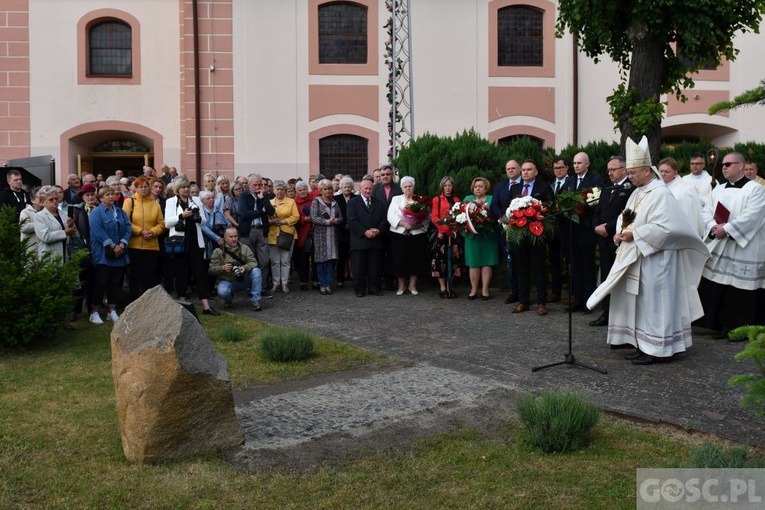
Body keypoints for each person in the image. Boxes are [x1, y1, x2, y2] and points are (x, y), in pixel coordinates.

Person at [587, 136, 709, 365]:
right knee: (642, 303)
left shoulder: (661, 193)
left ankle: (659, 349)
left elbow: (667, 227)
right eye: (629, 172)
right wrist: (620, 231)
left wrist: (635, 235)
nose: (629, 176)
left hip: (659, 260)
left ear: (646, 170)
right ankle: (645, 345)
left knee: (657, 304)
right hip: (640, 256)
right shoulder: (638, 192)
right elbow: (628, 217)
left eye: (633, 172)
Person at [697, 151, 765, 340]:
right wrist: (712, 226)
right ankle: (720, 325)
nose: (724, 168)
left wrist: (727, 229)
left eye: (728, 164)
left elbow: (753, 216)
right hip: (722, 245)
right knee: (721, 286)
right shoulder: (718, 189)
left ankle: (741, 329)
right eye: (723, 165)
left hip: (745, 248)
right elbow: (706, 211)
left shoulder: (755, 189)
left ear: (741, 166)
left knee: (740, 291)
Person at [164, 175, 220, 315]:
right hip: (179, 242)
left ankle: (206, 306)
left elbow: (203, 222)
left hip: (196, 241)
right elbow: (167, 223)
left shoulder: (195, 200)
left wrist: (197, 218)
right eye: (183, 187)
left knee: (200, 273)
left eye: (188, 187)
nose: (186, 189)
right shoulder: (171, 202)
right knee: (181, 273)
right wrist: (182, 215)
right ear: (177, 189)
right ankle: (182, 304)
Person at [590, 156, 634, 327]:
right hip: (604, 241)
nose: (610, 173)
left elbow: (627, 214)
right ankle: (606, 313)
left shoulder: (630, 189)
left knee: (620, 279)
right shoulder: (607, 189)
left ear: (624, 169)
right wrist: (595, 227)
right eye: (608, 170)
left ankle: (621, 316)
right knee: (607, 277)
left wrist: (607, 228)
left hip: (620, 239)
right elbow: (598, 211)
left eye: (613, 169)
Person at [508, 160, 554, 315]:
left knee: (539, 268)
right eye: (524, 170)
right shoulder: (515, 188)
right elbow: (509, 208)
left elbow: (550, 207)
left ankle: (542, 303)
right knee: (521, 268)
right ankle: (523, 301)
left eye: (529, 170)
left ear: (536, 172)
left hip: (537, 234)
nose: (526, 172)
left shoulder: (544, 187)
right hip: (519, 235)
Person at [562, 151, 604, 314]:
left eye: (579, 163)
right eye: (574, 163)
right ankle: (577, 299)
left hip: (586, 229)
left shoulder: (595, 179)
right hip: (572, 230)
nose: (576, 166)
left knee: (587, 266)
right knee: (575, 266)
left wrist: (582, 206)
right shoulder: (570, 181)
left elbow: (596, 202)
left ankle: (589, 301)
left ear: (587, 164)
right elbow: (564, 200)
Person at [88, 187, 131, 325]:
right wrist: (112, 245)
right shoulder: (96, 212)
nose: (111, 197)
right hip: (103, 254)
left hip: (119, 254)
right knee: (101, 282)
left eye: (112, 194)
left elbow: (128, 227)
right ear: (100, 198)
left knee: (114, 283)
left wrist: (123, 244)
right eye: (107, 195)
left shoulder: (120, 211)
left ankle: (111, 310)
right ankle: (94, 311)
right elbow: (97, 231)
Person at [123, 177, 165, 302]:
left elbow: (161, 224)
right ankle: (133, 302)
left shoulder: (154, 204)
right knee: (135, 276)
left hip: (151, 246)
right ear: (135, 188)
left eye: (146, 186)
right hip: (134, 245)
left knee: (149, 276)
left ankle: (147, 304)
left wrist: (151, 232)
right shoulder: (129, 202)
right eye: (140, 187)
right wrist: (140, 231)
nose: (143, 189)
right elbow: (126, 222)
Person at [386, 176, 430, 296]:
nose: (408, 188)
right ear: (402, 188)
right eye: (405, 186)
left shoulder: (420, 200)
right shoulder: (396, 199)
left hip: (416, 234)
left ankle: (412, 285)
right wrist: (403, 223)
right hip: (399, 234)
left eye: (410, 186)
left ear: (413, 187)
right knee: (399, 260)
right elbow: (390, 215)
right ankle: (401, 286)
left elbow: (427, 217)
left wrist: (416, 225)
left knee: (415, 260)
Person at [347, 177, 387, 297]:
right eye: (366, 188)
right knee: (358, 267)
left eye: (370, 188)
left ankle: (374, 288)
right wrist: (365, 231)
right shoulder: (353, 202)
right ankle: (359, 290)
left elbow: (384, 219)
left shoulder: (379, 202)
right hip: (359, 240)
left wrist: (378, 230)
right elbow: (352, 220)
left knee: (375, 266)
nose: (368, 191)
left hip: (375, 239)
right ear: (360, 188)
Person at [208, 227, 263, 311]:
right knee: (222, 291)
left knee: (256, 271)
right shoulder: (218, 251)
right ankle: (229, 300)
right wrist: (222, 268)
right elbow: (210, 270)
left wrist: (245, 267)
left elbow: (254, 262)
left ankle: (256, 300)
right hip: (227, 281)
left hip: (243, 280)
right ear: (225, 239)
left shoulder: (245, 248)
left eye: (235, 236)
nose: (234, 239)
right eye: (231, 237)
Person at [491, 159, 522, 304]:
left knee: (523, 261)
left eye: (513, 168)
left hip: (522, 229)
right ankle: (513, 291)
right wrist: (501, 219)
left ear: (520, 169)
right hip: (505, 228)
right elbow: (494, 205)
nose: (510, 170)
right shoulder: (500, 186)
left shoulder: (525, 184)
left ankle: (524, 291)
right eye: (508, 169)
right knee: (510, 261)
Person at [238, 173, 275, 294]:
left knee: (264, 261)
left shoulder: (265, 196)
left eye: (260, 184)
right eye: (255, 185)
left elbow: (270, 212)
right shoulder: (243, 196)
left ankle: (262, 286)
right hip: (248, 232)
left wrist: (262, 198)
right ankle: (250, 286)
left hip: (261, 231)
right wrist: (260, 212)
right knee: (249, 261)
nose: (258, 187)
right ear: (249, 185)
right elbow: (243, 214)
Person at [463, 177, 498, 300]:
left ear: (486, 188)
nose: (478, 188)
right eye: (476, 186)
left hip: (487, 236)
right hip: (472, 237)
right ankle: (473, 289)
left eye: (481, 186)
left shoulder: (491, 199)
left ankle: (485, 289)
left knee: (487, 262)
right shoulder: (467, 200)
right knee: (473, 263)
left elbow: (495, 216)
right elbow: (462, 217)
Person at [68, 183, 99, 322]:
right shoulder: (76, 210)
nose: (90, 197)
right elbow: (71, 228)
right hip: (81, 249)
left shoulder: (100, 208)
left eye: (92, 194)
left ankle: (91, 308)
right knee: (80, 281)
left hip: (97, 249)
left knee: (93, 281)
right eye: (88, 195)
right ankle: (75, 309)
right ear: (82, 197)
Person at [431, 176, 462, 299]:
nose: (448, 188)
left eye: (450, 185)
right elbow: (434, 218)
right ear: (442, 187)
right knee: (441, 260)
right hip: (442, 234)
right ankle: (443, 287)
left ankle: (450, 286)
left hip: (454, 234)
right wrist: (446, 229)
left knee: (453, 260)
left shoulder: (456, 199)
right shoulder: (437, 200)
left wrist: (455, 228)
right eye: (445, 185)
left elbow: (460, 216)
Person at [311, 179, 343, 295]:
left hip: (332, 235)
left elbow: (341, 217)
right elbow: (314, 217)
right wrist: (327, 221)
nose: (328, 191)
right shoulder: (316, 202)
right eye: (325, 189)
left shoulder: (335, 202)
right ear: (320, 190)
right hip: (320, 236)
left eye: (329, 188)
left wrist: (336, 221)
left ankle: (328, 284)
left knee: (330, 261)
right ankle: (322, 284)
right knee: (320, 261)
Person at [658, 157, 704, 237]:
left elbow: (690, 217)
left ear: (675, 173)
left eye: (667, 172)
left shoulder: (684, 190)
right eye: (661, 171)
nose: (663, 174)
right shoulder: (657, 186)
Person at [268, 180, 299, 293]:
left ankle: (285, 283)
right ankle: (276, 283)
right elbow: (264, 217)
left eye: (282, 189)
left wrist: (284, 221)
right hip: (272, 234)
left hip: (287, 234)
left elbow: (296, 217)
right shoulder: (269, 202)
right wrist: (271, 222)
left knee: (285, 260)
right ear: (274, 190)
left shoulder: (291, 202)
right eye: (277, 189)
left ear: (285, 190)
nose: (280, 191)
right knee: (275, 261)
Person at [548, 156, 570, 303]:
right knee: (554, 261)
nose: (558, 170)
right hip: (553, 229)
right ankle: (556, 291)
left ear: (567, 168)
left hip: (568, 227)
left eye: (561, 167)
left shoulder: (572, 182)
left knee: (569, 261)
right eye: (556, 168)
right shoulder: (550, 184)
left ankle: (571, 292)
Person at [33, 185, 76, 261]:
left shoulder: (64, 214)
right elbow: (46, 237)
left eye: (56, 198)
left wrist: (71, 225)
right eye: (51, 199)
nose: (55, 201)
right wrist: (65, 233)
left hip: (65, 253)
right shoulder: (39, 216)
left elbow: (73, 232)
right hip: (49, 256)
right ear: (43, 202)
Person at [334, 176, 356, 287]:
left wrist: (351, 225)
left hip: (353, 231)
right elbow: (335, 214)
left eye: (349, 187)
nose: (347, 189)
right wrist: (343, 224)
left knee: (353, 256)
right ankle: (340, 278)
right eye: (345, 187)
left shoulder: (356, 198)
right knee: (341, 256)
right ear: (341, 187)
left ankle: (353, 275)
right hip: (341, 231)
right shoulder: (336, 199)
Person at [293, 180, 314, 291]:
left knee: (315, 258)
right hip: (301, 233)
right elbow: (293, 216)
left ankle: (315, 280)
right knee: (302, 259)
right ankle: (303, 281)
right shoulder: (294, 202)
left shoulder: (313, 200)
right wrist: (303, 219)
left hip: (313, 231)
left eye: (304, 189)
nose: (302, 192)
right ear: (297, 191)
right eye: (300, 190)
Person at [19, 185, 42, 253]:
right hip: (31, 250)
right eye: (40, 198)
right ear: (32, 200)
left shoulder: (49, 212)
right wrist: (42, 222)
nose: (43, 200)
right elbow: (24, 228)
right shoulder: (26, 212)